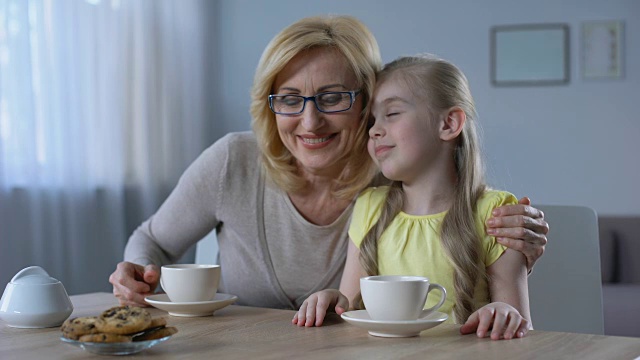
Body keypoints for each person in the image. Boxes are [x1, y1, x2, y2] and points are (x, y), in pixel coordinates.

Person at [109, 15, 549, 310]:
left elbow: (461, 228)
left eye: (333, 97)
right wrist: (138, 275)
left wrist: (516, 236)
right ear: (270, 105)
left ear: (366, 101)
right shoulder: (232, 161)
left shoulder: (399, 175)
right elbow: (151, 241)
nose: (310, 121)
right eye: (289, 99)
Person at [293, 54, 531, 340]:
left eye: (392, 114)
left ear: (448, 124)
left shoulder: (496, 212)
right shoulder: (370, 206)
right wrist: (333, 302)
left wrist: (503, 315)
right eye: (372, 120)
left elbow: (521, 325)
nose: (374, 131)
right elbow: (351, 308)